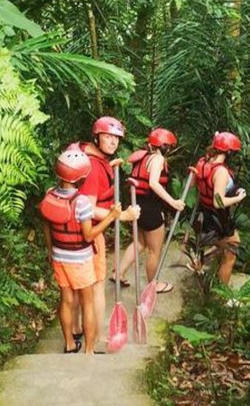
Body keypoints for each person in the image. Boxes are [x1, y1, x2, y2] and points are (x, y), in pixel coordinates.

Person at [39, 144, 132, 354]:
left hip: (59, 257)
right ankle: (89, 350)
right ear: (80, 177)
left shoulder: (50, 195)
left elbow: (46, 226)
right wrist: (111, 216)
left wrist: (50, 250)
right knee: (87, 302)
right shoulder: (81, 202)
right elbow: (88, 235)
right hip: (79, 259)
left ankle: (70, 343)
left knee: (66, 299)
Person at [78, 116, 140, 344]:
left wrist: (109, 165)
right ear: (97, 136)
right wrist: (122, 216)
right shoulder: (93, 168)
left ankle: (77, 331)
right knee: (96, 286)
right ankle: (98, 338)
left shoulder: (85, 153)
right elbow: (89, 208)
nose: (113, 142)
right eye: (108, 136)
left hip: (77, 233)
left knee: (78, 285)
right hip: (90, 233)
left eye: (116, 138)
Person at [113, 128, 185, 293]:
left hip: (137, 204)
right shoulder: (158, 159)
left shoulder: (144, 156)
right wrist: (173, 202)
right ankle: (153, 285)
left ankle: (119, 273)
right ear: (164, 146)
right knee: (154, 250)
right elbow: (153, 183)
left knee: (139, 243)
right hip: (149, 208)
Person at [193, 131, 247, 285]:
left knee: (223, 246)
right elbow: (218, 201)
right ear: (229, 152)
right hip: (217, 218)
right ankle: (223, 295)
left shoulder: (202, 162)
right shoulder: (220, 171)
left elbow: (192, 184)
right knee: (231, 252)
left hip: (205, 213)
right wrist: (238, 197)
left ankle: (201, 262)